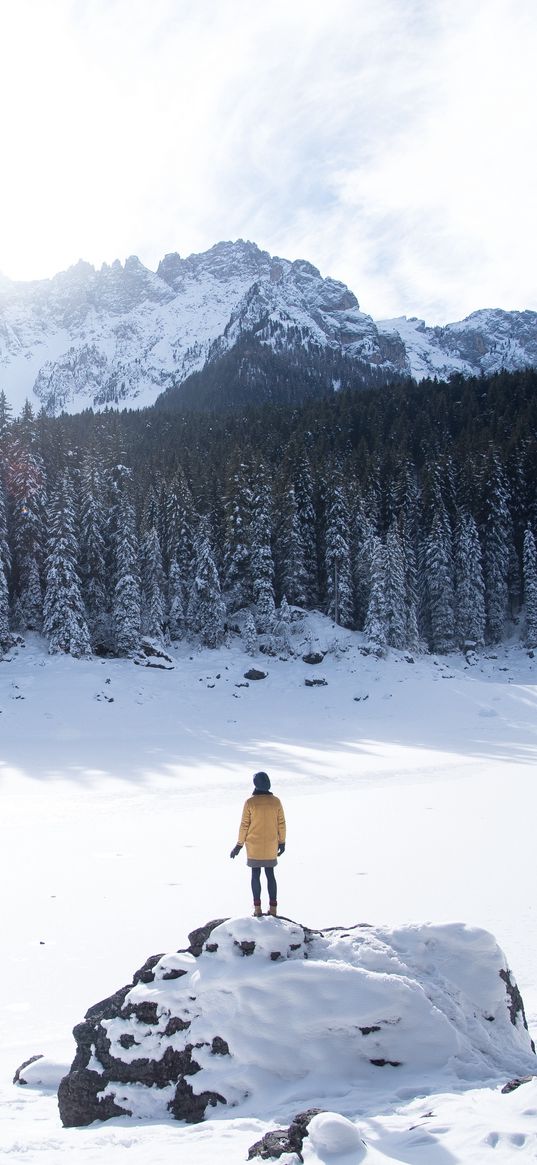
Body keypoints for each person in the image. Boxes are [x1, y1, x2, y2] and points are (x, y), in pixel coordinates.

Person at [230, 771, 286, 917]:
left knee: (255, 874)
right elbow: (281, 824)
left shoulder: (250, 802)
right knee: (270, 874)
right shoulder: (276, 801)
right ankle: (273, 910)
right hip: (271, 843)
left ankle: (257, 909)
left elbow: (244, 825)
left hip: (253, 844)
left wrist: (239, 845)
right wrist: (282, 842)